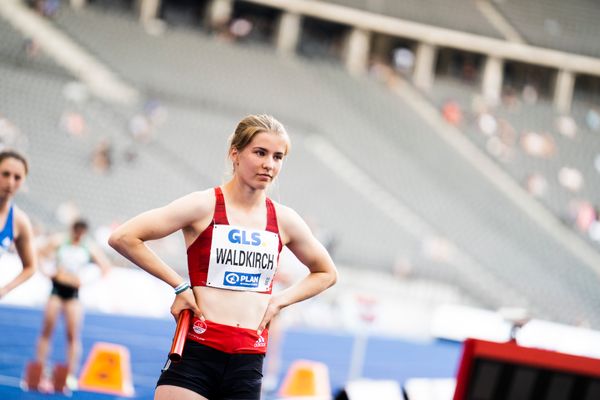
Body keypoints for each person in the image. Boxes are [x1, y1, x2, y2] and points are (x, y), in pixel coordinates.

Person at [109, 114, 338, 400]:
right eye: (260, 152)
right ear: (235, 154)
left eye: (278, 157)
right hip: (197, 355)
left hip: (248, 362)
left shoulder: (283, 219)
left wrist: (279, 301)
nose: (269, 164)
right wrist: (179, 285)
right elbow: (124, 237)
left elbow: (326, 272)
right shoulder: (203, 205)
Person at [34, 218, 111, 389]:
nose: (78, 235)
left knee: (72, 334)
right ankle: (39, 369)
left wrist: (86, 282)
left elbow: (105, 267)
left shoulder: (88, 246)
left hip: (73, 294)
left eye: (81, 233)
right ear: (73, 230)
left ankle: (70, 373)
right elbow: (38, 251)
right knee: (47, 330)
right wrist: (46, 272)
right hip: (56, 290)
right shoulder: (60, 241)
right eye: (76, 232)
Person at [0, 150, 37, 299]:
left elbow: (31, 266)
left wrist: (5, 289)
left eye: (17, 177)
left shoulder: (19, 221)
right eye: (5, 174)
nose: (10, 182)